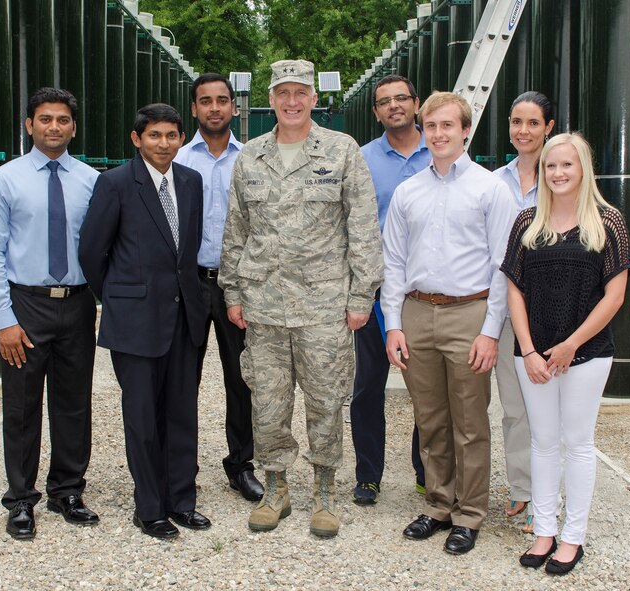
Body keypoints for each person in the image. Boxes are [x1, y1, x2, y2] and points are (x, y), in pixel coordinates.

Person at [219, 59, 383, 538]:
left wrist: (361, 296)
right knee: (267, 402)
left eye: (301, 93)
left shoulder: (341, 150)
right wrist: (232, 289)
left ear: (314, 99)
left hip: (325, 305)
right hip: (264, 304)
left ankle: (325, 488)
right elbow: (236, 230)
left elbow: (363, 228)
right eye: (283, 93)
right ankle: (276, 487)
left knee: (327, 399)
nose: (292, 101)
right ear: (271, 99)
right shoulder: (250, 155)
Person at [382, 91, 515, 554]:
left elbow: (503, 265)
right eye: (431, 125)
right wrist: (394, 325)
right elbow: (393, 262)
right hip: (418, 314)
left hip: (469, 314)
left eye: (447, 126)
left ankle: (470, 513)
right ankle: (438, 504)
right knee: (430, 418)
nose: (438, 134)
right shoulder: (408, 191)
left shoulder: (489, 189)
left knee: (471, 421)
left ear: (464, 130)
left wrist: (489, 331)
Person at [501, 132, 630, 574]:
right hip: (533, 355)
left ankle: (572, 538)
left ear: (583, 169)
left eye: (566, 165)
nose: (557, 173)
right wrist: (530, 350)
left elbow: (614, 297)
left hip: (587, 353)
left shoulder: (607, 222)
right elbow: (514, 289)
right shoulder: (526, 223)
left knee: (577, 444)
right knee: (541, 442)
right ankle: (544, 531)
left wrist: (570, 345)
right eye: (550, 166)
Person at [79, 104, 210, 539]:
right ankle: (149, 508)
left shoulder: (191, 182)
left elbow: (185, 254)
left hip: (184, 319)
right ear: (137, 139)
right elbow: (93, 254)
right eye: (154, 135)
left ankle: (182, 500)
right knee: (142, 418)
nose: (164, 143)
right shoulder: (114, 183)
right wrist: (120, 298)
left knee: (182, 414)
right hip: (135, 322)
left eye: (172, 135)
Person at [0, 87, 99, 539]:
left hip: (77, 302)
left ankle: (67, 490)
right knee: (23, 407)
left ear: (73, 126)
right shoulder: (5, 180)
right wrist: (4, 320)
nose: (54, 127)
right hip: (24, 304)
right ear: (29, 125)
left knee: (74, 404)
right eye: (45, 119)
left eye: (63, 120)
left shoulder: (89, 179)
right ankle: (21, 499)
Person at [175, 73, 264, 503]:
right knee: (180, 378)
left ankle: (241, 465)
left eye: (222, 100)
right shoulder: (174, 157)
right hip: (186, 284)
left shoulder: (251, 160)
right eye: (205, 101)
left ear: (234, 107)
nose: (214, 108)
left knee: (241, 379)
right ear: (194, 108)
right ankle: (180, 466)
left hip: (237, 285)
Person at [351, 74, 429, 505]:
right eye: (385, 102)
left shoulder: (438, 153)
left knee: (426, 388)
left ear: (416, 104)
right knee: (367, 386)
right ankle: (367, 476)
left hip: (423, 293)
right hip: (375, 290)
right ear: (376, 111)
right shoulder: (362, 160)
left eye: (402, 98)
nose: (394, 106)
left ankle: (426, 470)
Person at [494, 91, 555, 533]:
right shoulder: (494, 182)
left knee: (550, 408)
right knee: (515, 406)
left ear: (548, 127)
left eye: (532, 123)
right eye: (516, 122)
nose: (523, 131)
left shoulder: (563, 176)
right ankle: (522, 489)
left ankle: (550, 495)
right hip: (504, 309)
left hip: (551, 311)